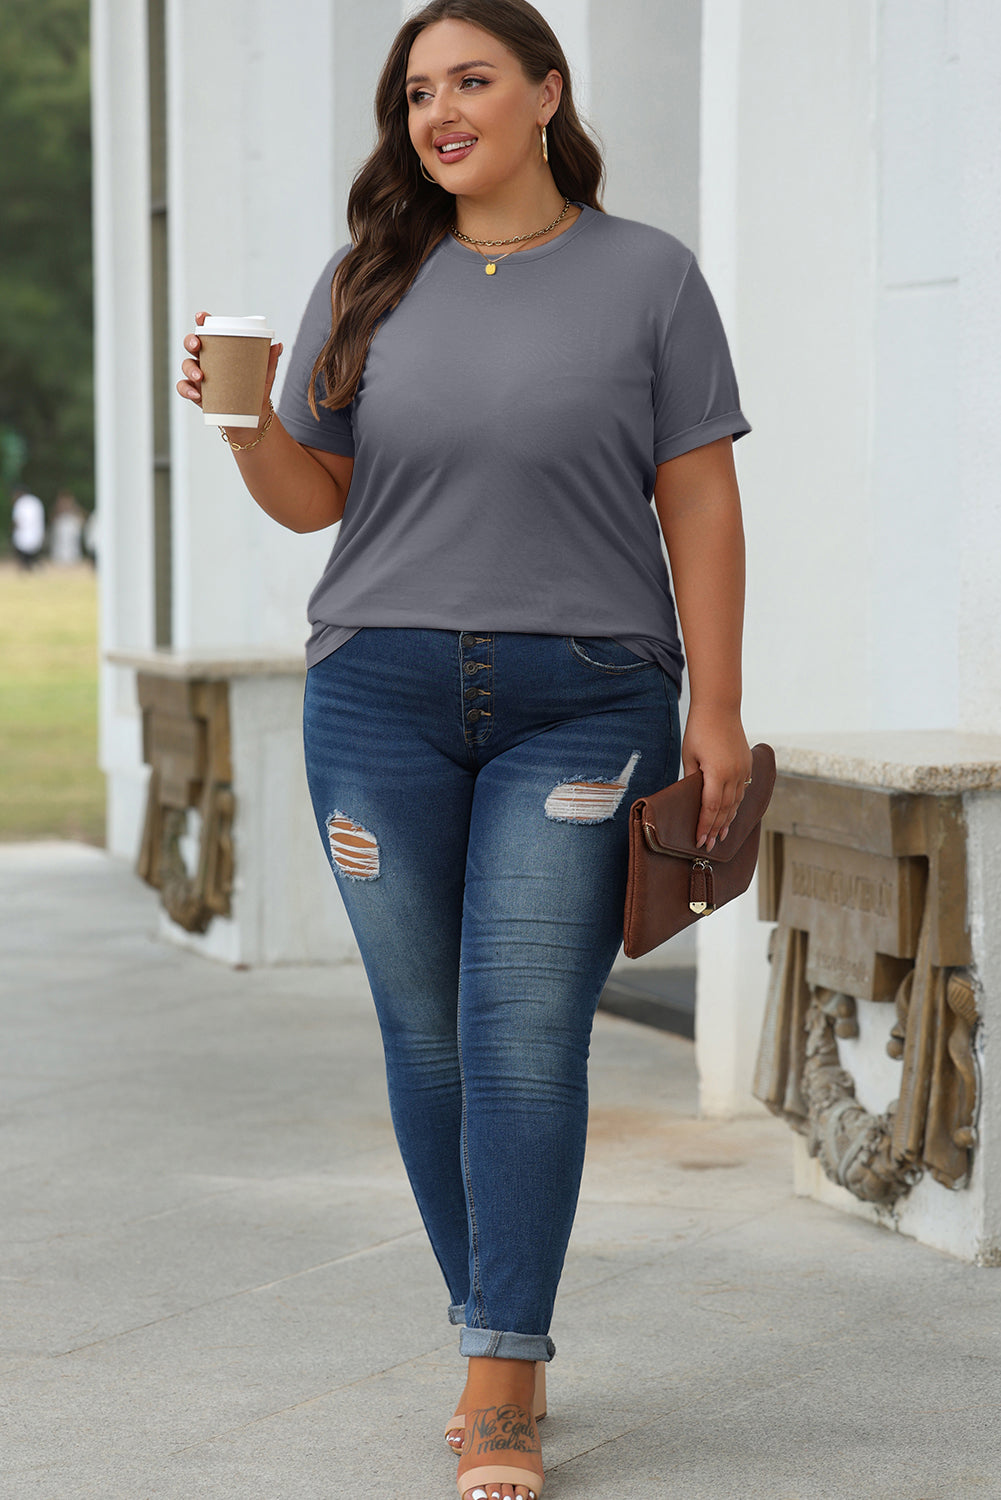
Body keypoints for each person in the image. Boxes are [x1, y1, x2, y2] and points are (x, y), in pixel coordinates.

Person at [177, 3, 752, 1495]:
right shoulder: (366, 277)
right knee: (424, 1033)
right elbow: (317, 502)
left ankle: (504, 1372)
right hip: (376, 699)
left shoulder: (649, 279)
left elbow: (697, 500)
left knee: (517, 1030)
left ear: (546, 95)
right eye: (418, 90)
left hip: (585, 701)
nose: (440, 110)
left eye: (472, 80)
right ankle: (489, 1321)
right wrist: (242, 426)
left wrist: (717, 709)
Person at [11, 486, 46, 570]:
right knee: (31, 553)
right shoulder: (36, 501)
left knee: (24, 553)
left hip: (23, 533)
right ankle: (33, 566)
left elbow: (17, 520)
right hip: (37, 532)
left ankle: (27, 566)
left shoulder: (20, 503)